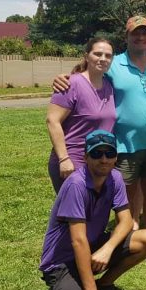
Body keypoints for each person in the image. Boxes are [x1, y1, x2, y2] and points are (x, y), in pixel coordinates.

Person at [53, 16, 146, 232]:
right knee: (124, 196)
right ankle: (125, 237)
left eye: (145, 33)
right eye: (135, 33)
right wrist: (63, 77)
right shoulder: (113, 63)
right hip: (123, 145)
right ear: (126, 36)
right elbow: (87, 72)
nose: (140, 37)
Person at [39, 130, 146, 290]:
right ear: (85, 157)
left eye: (109, 153)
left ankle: (104, 284)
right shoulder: (76, 185)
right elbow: (78, 241)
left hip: (93, 249)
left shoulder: (115, 177)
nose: (104, 159)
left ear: (116, 156)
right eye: (96, 154)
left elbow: (126, 221)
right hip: (61, 264)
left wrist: (107, 248)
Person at [46, 37, 116, 193]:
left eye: (108, 56)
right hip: (73, 161)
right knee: (74, 214)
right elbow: (52, 120)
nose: (103, 59)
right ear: (86, 56)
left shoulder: (109, 86)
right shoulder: (71, 84)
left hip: (99, 161)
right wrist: (64, 159)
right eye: (97, 54)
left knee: (93, 212)